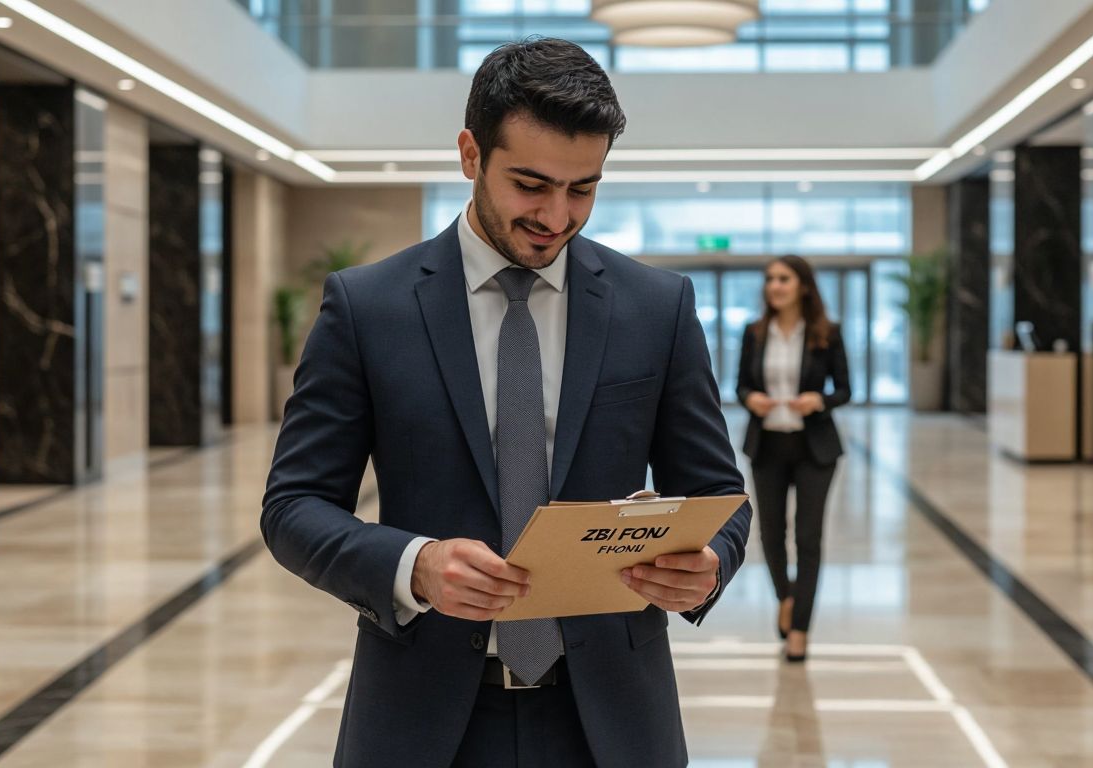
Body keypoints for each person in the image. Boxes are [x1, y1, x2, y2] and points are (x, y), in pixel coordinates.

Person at [262, 38, 752, 768]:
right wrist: (414, 565)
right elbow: (293, 506)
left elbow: (721, 494)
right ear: (470, 154)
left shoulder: (657, 308)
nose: (556, 216)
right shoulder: (368, 308)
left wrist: (709, 560)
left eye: (582, 188)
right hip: (421, 720)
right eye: (530, 184)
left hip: (614, 723)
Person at [735, 256, 850, 663]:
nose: (774, 286)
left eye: (783, 279)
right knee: (769, 535)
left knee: (808, 538)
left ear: (803, 285)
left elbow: (845, 390)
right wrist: (752, 399)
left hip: (814, 449)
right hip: (767, 446)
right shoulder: (755, 332)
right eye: (769, 279)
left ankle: (799, 629)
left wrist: (819, 399)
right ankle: (786, 598)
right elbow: (741, 385)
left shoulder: (826, 333)